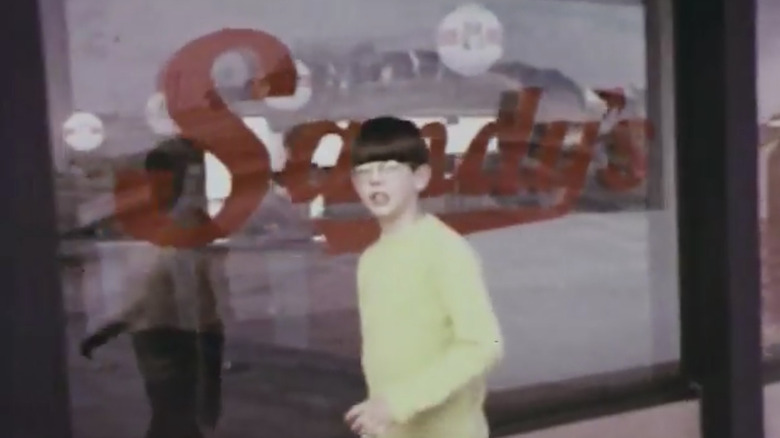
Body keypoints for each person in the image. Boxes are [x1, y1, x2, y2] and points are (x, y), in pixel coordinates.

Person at [343, 116, 504, 438]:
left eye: (388, 168)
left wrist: (398, 403)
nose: (375, 181)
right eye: (364, 172)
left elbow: (484, 346)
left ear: (420, 177)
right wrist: (380, 417)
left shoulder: (445, 250)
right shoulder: (371, 260)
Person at [80, 138, 228, 438]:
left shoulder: (183, 221)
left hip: (175, 331)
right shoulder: (165, 222)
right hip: (164, 331)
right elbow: (155, 286)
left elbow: (177, 285)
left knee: (174, 413)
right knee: (174, 413)